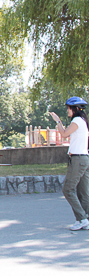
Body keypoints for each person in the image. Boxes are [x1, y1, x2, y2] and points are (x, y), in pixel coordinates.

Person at [50, 96, 89, 231]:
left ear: (75, 109)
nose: (67, 110)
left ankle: (82, 218)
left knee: (68, 189)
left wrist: (58, 121)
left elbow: (64, 134)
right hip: (84, 158)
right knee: (83, 192)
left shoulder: (77, 120)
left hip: (78, 159)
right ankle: (85, 219)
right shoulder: (83, 121)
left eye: (69, 108)